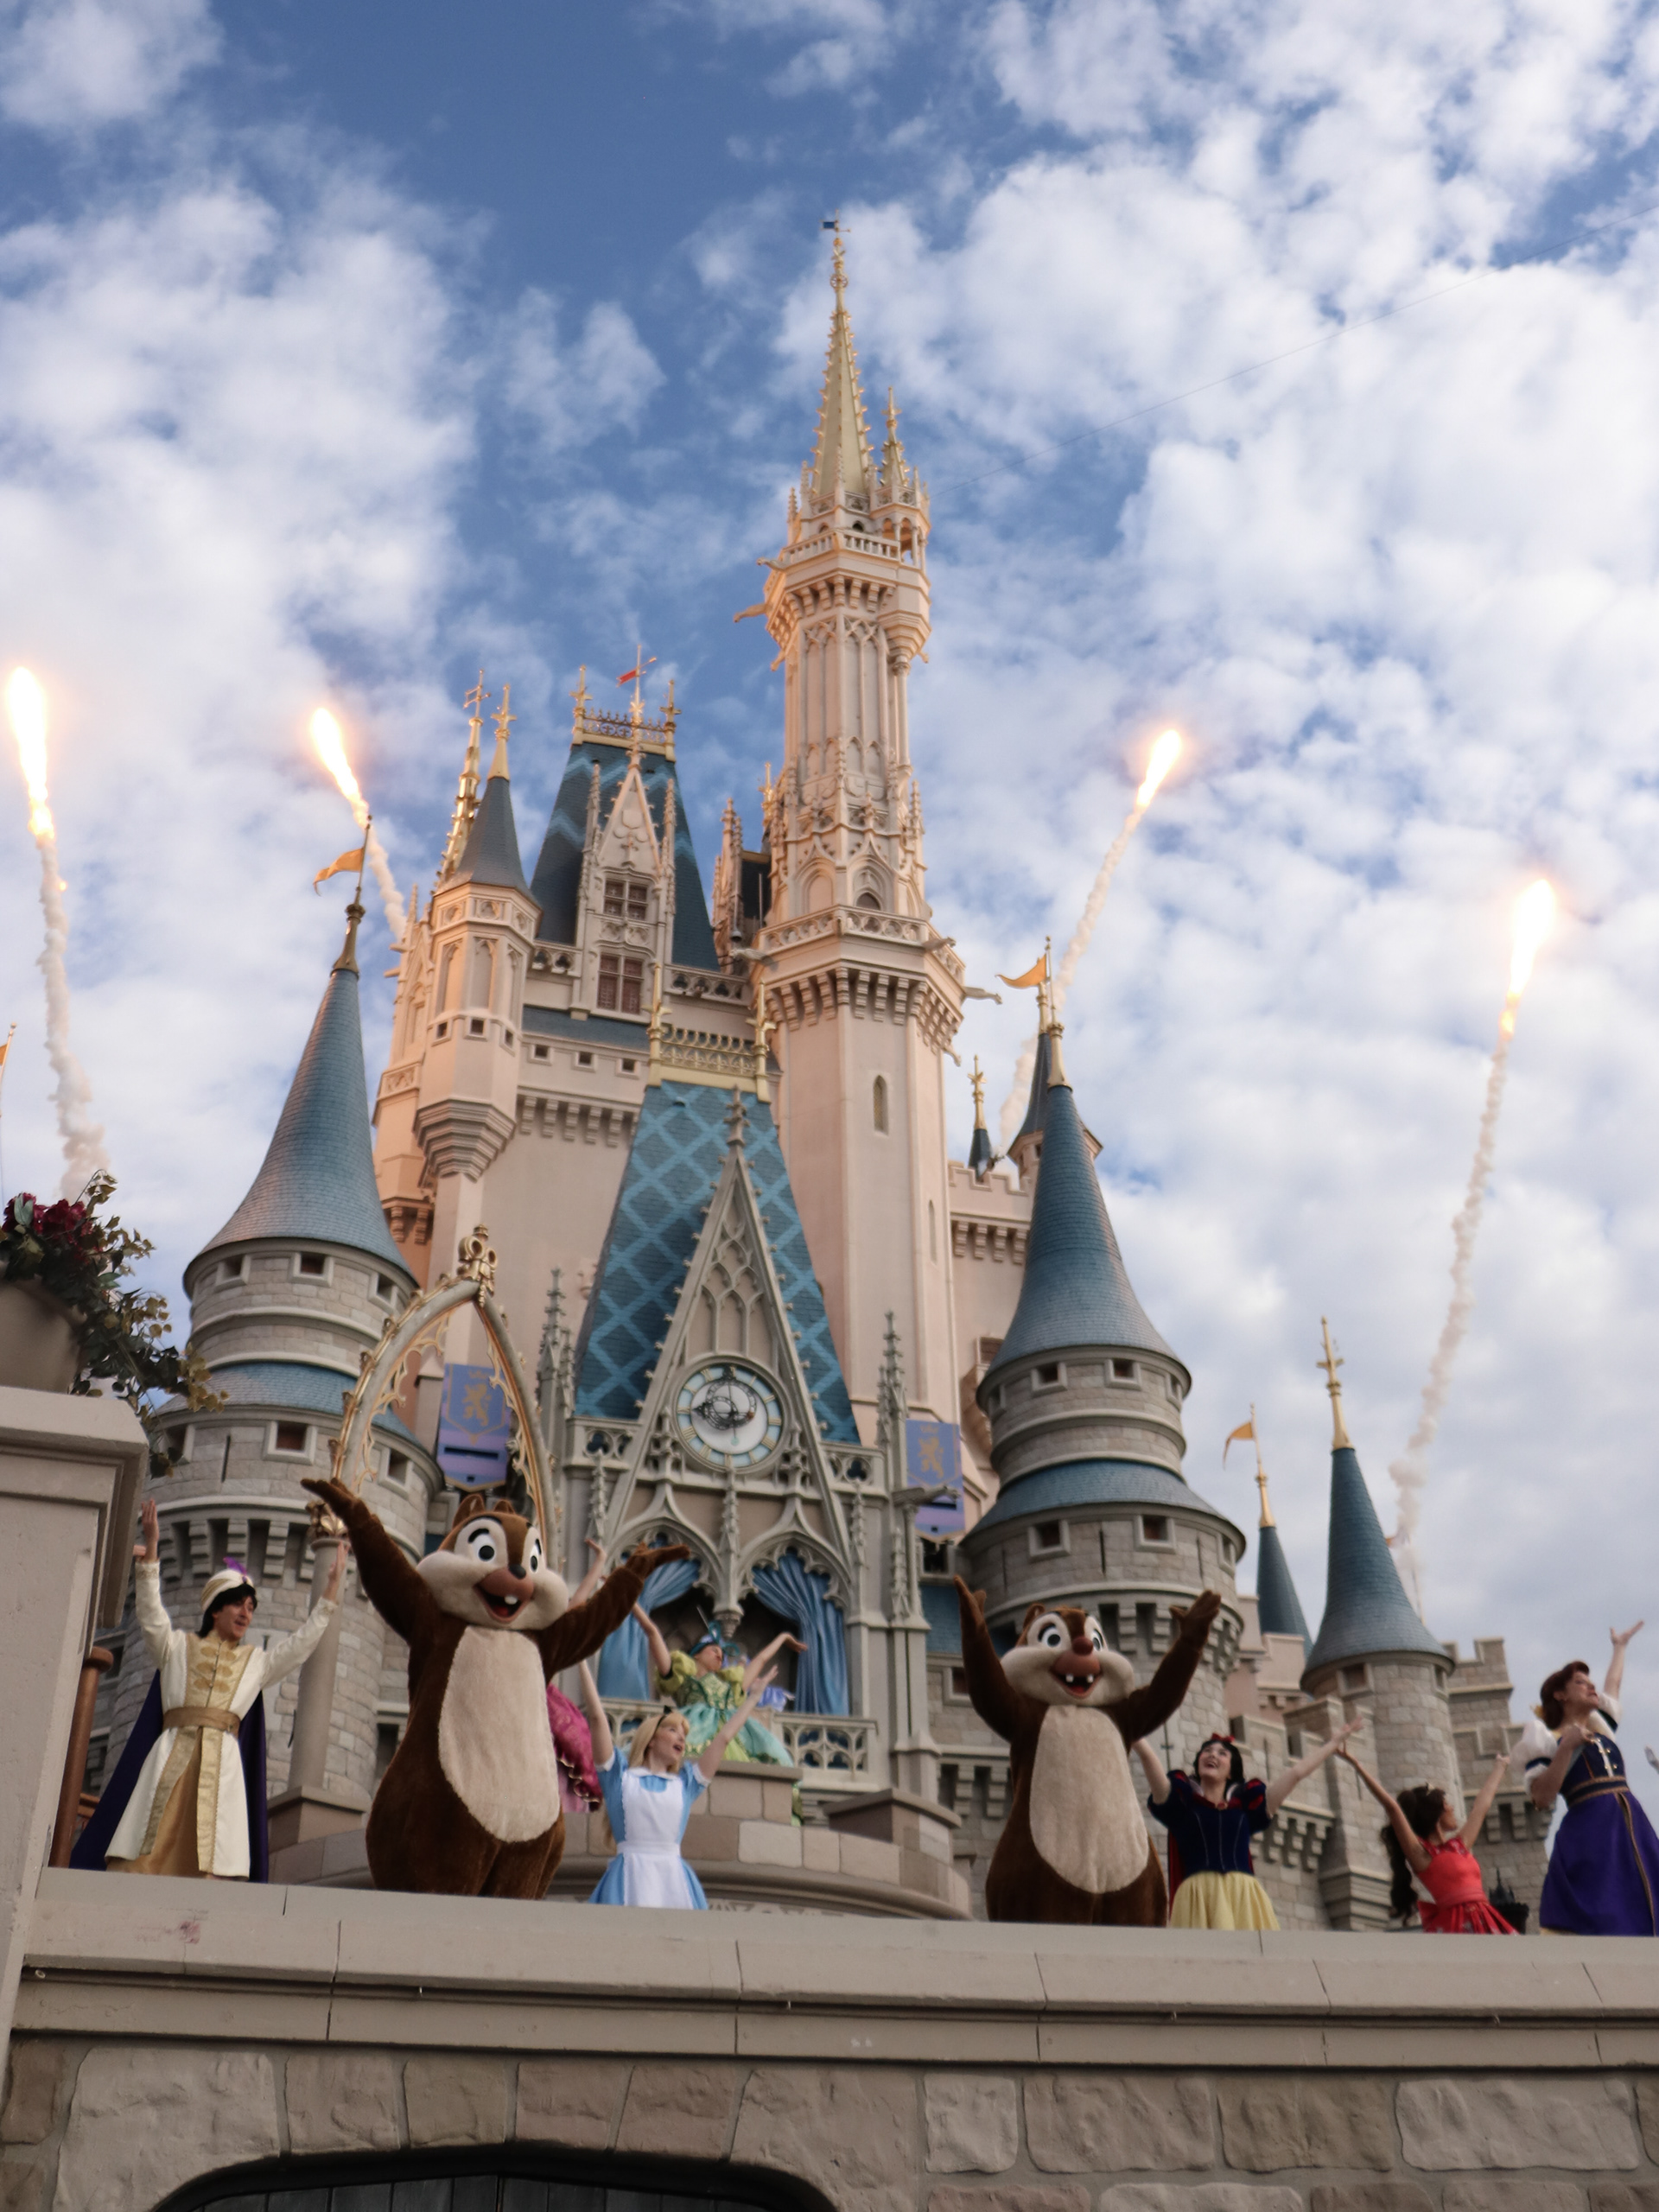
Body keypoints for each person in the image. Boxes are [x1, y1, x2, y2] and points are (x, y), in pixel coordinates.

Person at [72, 1495, 346, 1880]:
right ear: (216, 1609)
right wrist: (152, 1549)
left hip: (224, 1764)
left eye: (251, 1608)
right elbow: (150, 1614)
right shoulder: (176, 1648)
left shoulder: (257, 1663)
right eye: (239, 1605)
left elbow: (301, 1646)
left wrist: (330, 1595)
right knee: (147, 1844)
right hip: (170, 1753)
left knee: (215, 1851)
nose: (246, 1613)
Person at [577, 1656, 778, 1908]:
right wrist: (581, 1658)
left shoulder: (685, 1785)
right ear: (651, 1739)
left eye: (683, 1734)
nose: (681, 1738)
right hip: (627, 1881)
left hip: (674, 1885)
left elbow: (724, 1738)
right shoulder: (619, 1778)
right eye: (672, 1730)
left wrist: (753, 1698)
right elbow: (597, 1718)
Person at [1134, 1719, 1362, 1929]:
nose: (1212, 1755)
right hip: (1198, 1897)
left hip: (1243, 1895)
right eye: (1207, 1751)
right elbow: (1148, 1759)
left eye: (1222, 1753)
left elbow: (1296, 1773)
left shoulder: (1246, 1806)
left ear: (1231, 1770)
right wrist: (1130, 1729)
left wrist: (1333, 1743)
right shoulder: (1182, 1805)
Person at [1525, 1622, 1658, 1936]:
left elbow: (1613, 1685)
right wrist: (1566, 1748)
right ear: (1560, 1695)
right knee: (1607, 1909)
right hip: (1592, 1835)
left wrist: (1620, 1647)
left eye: (1591, 1682)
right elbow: (1541, 1797)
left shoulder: (1602, 1729)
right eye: (1580, 1682)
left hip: (1631, 1827)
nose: (1591, 1687)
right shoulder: (1548, 1740)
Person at [1341, 1745, 1517, 1931]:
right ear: (1436, 1812)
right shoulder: (1422, 1855)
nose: (1452, 1808)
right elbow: (1392, 1808)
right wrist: (1357, 1765)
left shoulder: (1460, 1845)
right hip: (1455, 1924)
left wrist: (1500, 1766)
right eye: (1447, 1804)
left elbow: (1481, 1806)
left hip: (1484, 1917)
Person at [633, 1608, 804, 1766]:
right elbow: (652, 1632)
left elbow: (761, 1660)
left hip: (731, 1738)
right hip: (694, 1731)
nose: (719, 1655)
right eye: (714, 1650)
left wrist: (783, 1637)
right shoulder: (682, 1678)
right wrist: (631, 1603)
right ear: (697, 1654)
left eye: (722, 1655)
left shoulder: (730, 1687)